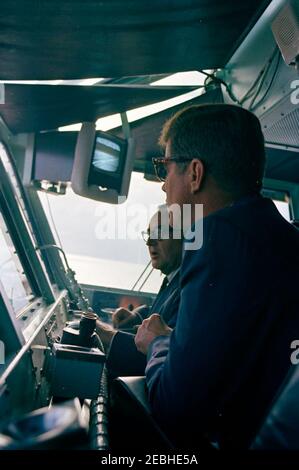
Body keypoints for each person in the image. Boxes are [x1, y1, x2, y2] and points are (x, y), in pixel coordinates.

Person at [135, 104, 299, 449]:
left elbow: (175, 408)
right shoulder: (284, 238)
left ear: (195, 173)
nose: (164, 187)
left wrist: (157, 343)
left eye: (166, 168)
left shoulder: (218, 238)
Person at [96, 205, 182, 377]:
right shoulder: (172, 279)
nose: (150, 242)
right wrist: (137, 316)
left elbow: (158, 356)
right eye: (149, 234)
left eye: (160, 233)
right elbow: (161, 315)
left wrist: (105, 335)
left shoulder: (188, 288)